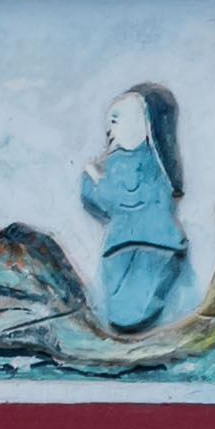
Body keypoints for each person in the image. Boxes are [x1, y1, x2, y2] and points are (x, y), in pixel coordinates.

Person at [80, 81, 192, 327]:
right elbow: (100, 203)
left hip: (156, 244)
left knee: (138, 302)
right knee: (121, 305)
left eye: (118, 118)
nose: (112, 126)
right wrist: (92, 181)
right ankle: (127, 324)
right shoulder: (114, 162)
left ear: (147, 122)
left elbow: (119, 198)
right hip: (120, 246)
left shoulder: (154, 163)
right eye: (110, 120)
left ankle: (135, 321)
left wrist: (95, 178)